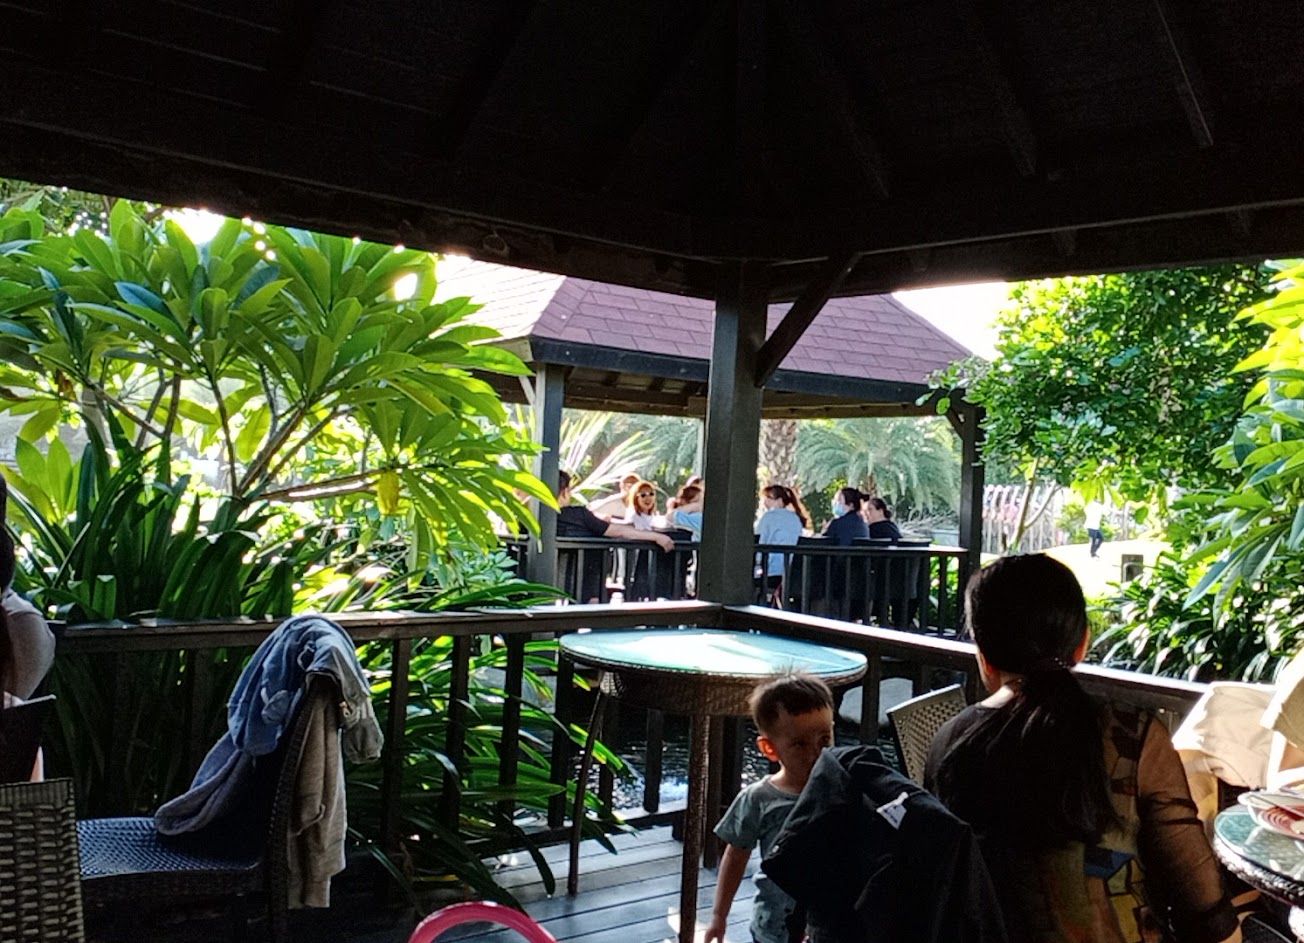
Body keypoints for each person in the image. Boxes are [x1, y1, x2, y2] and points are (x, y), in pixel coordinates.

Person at [925, 554, 1241, 943]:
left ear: (984, 657)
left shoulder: (950, 741)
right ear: (1082, 644)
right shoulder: (1134, 737)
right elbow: (1205, 909)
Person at [706, 673, 836, 943]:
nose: (817, 754)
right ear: (770, 748)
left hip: (829, 927)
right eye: (799, 744)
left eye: (825, 739)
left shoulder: (841, 788)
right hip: (774, 927)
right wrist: (719, 915)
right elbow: (736, 855)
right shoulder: (759, 799)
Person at [555, 471, 674, 602]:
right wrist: (657, 537)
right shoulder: (579, 515)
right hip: (584, 590)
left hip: (552, 589)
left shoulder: (539, 517)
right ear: (565, 492)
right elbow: (619, 531)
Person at [755, 485, 809, 599]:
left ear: (779, 501)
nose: (765, 502)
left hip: (771, 572)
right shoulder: (795, 518)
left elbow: (760, 543)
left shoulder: (769, 517)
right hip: (792, 573)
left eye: (768, 498)